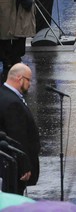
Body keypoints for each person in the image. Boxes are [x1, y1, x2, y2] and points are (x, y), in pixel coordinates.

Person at [0, 63, 40, 195]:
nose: (29, 84)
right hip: (14, 169)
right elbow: (17, 137)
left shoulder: (4, 94)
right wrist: (24, 166)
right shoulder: (13, 103)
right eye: (28, 80)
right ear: (19, 78)